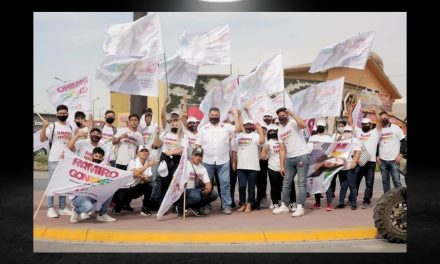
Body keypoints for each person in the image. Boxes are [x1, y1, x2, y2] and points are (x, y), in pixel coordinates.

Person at [196, 107, 240, 215]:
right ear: (209, 116)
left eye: (216, 116)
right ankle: (205, 205)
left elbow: (238, 128)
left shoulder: (225, 126)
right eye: (212, 116)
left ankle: (226, 206)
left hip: (223, 161)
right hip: (207, 161)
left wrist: (234, 114)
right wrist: (198, 161)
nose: (214, 118)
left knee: (225, 184)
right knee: (206, 185)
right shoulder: (203, 129)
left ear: (219, 116)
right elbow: (198, 145)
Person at [272, 107, 310, 217]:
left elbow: (304, 125)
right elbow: (282, 149)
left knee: (301, 183)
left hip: (302, 156)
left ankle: (300, 207)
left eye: (284, 115)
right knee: (286, 182)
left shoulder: (293, 123)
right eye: (279, 116)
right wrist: (281, 165)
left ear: (287, 115)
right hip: (289, 159)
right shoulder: (280, 130)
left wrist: (292, 113)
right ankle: (284, 206)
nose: (281, 118)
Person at [40, 104, 73, 218]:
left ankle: (62, 207)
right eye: (60, 113)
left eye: (64, 113)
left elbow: (71, 143)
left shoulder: (69, 128)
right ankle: (50, 208)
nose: (62, 115)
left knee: (63, 184)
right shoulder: (52, 126)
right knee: (53, 184)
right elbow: (42, 139)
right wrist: (44, 127)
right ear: (56, 114)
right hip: (54, 159)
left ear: (68, 114)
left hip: (65, 160)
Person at [70, 147, 117, 223]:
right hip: (80, 195)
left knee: (110, 190)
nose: (98, 158)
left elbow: (107, 181)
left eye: (100, 157)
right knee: (88, 207)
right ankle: (76, 211)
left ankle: (102, 214)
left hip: (93, 195)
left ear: (102, 159)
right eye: (96, 156)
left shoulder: (102, 168)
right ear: (92, 156)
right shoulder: (84, 165)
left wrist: (109, 169)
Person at [348, 105, 382, 209]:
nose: (364, 125)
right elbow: (351, 123)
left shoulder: (375, 133)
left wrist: (375, 111)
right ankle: (352, 199)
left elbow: (379, 122)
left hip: (370, 162)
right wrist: (349, 112)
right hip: (359, 161)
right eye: (362, 124)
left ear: (370, 125)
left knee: (369, 183)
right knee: (355, 182)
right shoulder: (358, 132)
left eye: (366, 124)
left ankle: (366, 201)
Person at [112, 145, 159, 215]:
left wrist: (144, 178)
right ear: (138, 153)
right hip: (125, 188)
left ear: (148, 153)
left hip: (136, 187)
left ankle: (145, 208)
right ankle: (120, 205)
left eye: (146, 151)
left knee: (150, 185)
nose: (144, 153)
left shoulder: (149, 163)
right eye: (142, 151)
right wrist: (145, 168)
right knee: (118, 205)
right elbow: (135, 173)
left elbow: (147, 179)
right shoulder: (133, 161)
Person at [261, 124, 297, 212]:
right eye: (271, 131)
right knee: (274, 187)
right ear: (268, 133)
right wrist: (265, 150)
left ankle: (293, 203)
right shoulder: (267, 143)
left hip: (286, 167)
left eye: (274, 131)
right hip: (273, 167)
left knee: (290, 186)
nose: (273, 132)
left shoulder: (284, 140)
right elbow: (263, 157)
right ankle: (275, 203)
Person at [233, 116, 265, 213]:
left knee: (251, 187)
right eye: (247, 125)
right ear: (244, 126)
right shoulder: (238, 136)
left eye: (250, 125)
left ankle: (250, 204)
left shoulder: (256, 135)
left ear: (253, 126)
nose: (248, 126)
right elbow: (234, 151)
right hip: (241, 166)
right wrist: (233, 163)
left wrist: (259, 129)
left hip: (253, 166)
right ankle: (243, 203)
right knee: (241, 186)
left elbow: (262, 141)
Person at [175, 147, 219, 217]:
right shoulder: (185, 164)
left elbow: (208, 183)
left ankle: (196, 207)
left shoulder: (203, 168)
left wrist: (208, 189)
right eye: (196, 155)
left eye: (200, 156)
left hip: (196, 191)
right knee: (196, 197)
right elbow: (175, 178)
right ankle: (180, 207)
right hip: (184, 190)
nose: (198, 157)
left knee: (214, 194)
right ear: (192, 155)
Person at [154, 119, 184, 204]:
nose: (174, 126)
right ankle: (163, 204)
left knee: (174, 182)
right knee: (164, 181)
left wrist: (173, 152)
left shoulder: (182, 136)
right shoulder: (165, 133)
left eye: (176, 125)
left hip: (176, 159)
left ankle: (176, 204)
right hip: (165, 159)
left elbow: (183, 149)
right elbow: (156, 144)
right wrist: (157, 134)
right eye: (173, 125)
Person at [307, 119, 335, 211]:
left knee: (327, 183)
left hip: (326, 164)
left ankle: (329, 204)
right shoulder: (312, 138)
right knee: (315, 183)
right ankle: (317, 203)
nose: (320, 128)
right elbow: (309, 150)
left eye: (322, 127)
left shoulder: (329, 138)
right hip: (314, 164)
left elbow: (332, 151)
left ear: (324, 127)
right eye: (319, 126)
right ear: (316, 127)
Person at [377, 111, 406, 193]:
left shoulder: (395, 128)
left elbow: (404, 141)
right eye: (382, 119)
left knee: (397, 182)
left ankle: (399, 200)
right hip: (382, 160)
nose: (384, 120)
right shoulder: (379, 129)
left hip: (394, 160)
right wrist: (377, 155)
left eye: (385, 118)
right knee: (385, 182)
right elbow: (376, 143)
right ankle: (387, 201)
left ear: (388, 118)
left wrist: (400, 155)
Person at [336, 125, 362, 210]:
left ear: (352, 132)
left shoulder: (355, 140)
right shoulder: (340, 140)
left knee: (352, 185)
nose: (347, 133)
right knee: (343, 186)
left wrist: (354, 162)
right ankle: (341, 202)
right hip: (342, 167)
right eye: (345, 131)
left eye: (349, 131)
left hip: (351, 165)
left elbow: (358, 152)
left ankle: (353, 203)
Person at [330, 120, 347, 197]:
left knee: (342, 178)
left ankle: (343, 194)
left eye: (342, 126)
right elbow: (331, 146)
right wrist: (336, 141)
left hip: (343, 158)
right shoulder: (334, 135)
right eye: (339, 126)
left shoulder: (347, 135)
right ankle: (332, 192)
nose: (340, 127)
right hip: (335, 158)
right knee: (333, 177)